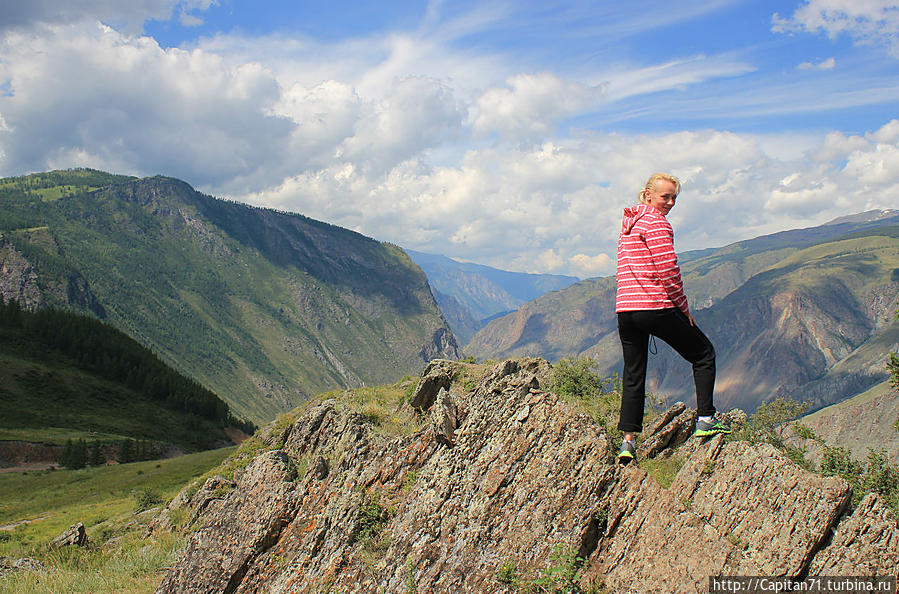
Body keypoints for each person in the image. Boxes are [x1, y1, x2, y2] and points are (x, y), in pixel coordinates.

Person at [615, 173, 730, 465]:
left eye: (674, 198)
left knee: (633, 374)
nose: (669, 203)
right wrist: (682, 308)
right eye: (665, 196)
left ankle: (627, 443)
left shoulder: (629, 225)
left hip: (626, 310)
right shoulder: (656, 223)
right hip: (655, 306)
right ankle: (706, 419)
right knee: (704, 353)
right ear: (649, 195)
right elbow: (668, 270)